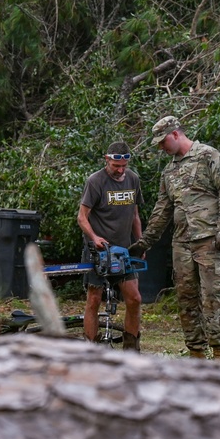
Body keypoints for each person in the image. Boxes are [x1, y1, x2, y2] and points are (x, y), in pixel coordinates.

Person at [130, 116, 220, 360]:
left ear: (176, 134)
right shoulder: (169, 171)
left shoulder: (208, 156)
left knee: (213, 295)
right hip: (181, 242)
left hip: (209, 238)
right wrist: (145, 241)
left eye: (163, 141)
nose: (161, 147)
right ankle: (196, 353)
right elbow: (162, 210)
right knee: (186, 297)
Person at [77, 140, 145, 351]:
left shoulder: (133, 179)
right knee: (94, 299)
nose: (120, 170)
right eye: (116, 166)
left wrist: (140, 242)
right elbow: (82, 217)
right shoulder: (95, 181)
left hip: (123, 250)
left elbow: (135, 215)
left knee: (134, 299)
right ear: (107, 160)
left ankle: (131, 349)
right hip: (98, 251)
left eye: (124, 166)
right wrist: (94, 237)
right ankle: (92, 349)